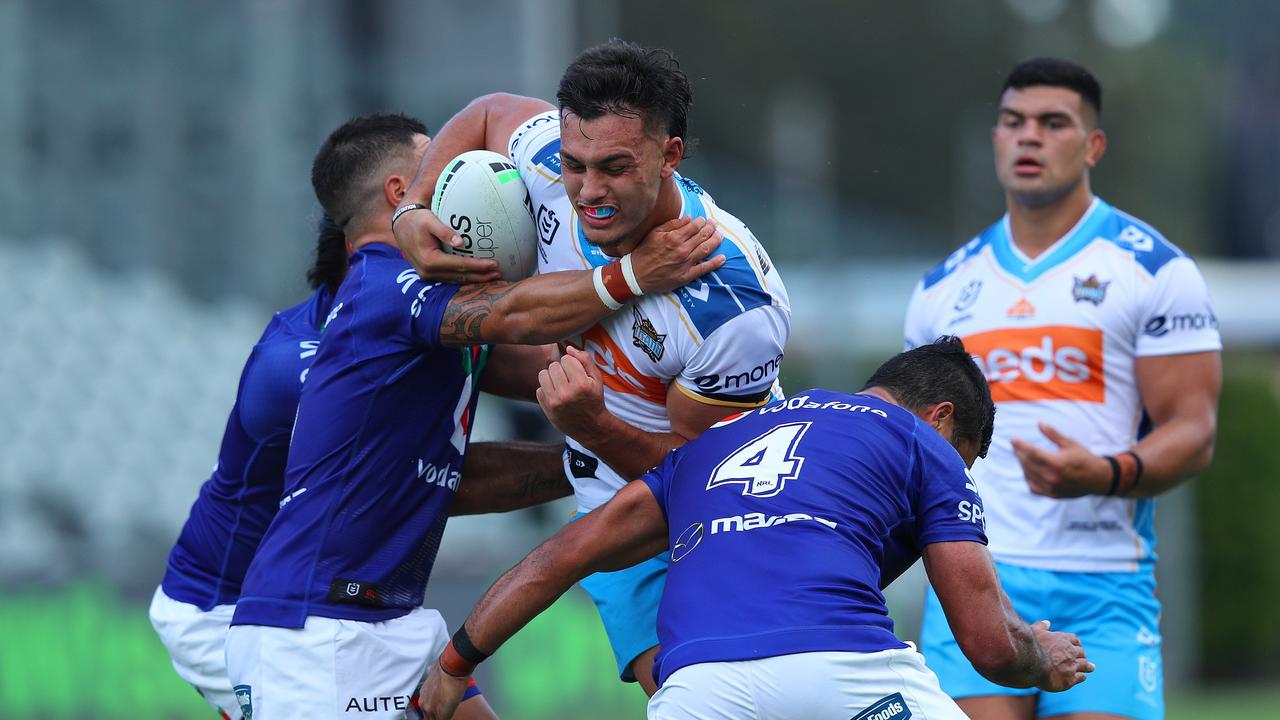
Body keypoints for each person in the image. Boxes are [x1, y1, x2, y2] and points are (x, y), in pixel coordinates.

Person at [223, 112, 723, 720]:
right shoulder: (387, 285)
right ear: (403, 196)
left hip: (389, 620)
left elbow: (476, 446)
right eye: (435, 162)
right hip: (319, 628)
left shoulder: (426, 315)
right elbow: (516, 317)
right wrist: (634, 275)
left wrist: (600, 453)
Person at [393, 39, 791, 694]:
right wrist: (412, 206)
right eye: (576, 165)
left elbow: (702, 483)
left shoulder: (732, 304)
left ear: (670, 155)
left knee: (722, 695)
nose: (589, 192)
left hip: (719, 515)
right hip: (602, 492)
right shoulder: (550, 165)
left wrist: (596, 428)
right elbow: (490, 112)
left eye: (614, 168)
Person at [414, 337, 1095, 720]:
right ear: (942, 418)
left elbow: (556, 559)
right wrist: (1041, 658)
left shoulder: (711, 447)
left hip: (697, 695)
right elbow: (986, 647)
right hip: (842, 672)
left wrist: (453, 667)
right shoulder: (922, 444)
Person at [905, 58, 1222, 720]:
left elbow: (1193, 432)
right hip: (976, 575)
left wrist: (1105, 474)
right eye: (1014, 123)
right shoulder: (940, 289)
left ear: (1092, 146)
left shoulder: (1154, 270)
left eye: (1054, 124)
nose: (1029, 138)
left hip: (1103, 583)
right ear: (995, 138)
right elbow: (913, 444)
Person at [148, 214, 350, 720]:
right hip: (226, 611)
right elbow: (416, 482)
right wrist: (572, 463)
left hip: (324, 605)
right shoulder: (300, 366)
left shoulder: (390, 331)